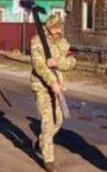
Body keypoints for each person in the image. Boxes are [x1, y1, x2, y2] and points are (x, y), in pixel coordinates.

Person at [30, 14, 76, 172]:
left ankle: (42, 141)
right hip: (42, 87)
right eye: (54, 27)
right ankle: (48, 159)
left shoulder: (63, 43)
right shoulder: (37, 41)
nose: (57, 30)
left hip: (59, 86)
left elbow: (72, 62)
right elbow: (39, 66)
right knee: (47, 121)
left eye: (59, 27)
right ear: (48, 27)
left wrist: (58, 63)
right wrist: (52, 82)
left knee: (58, 120)